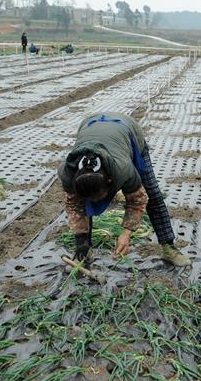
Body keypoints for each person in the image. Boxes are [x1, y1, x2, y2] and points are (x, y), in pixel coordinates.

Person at [59, 112, 190, 267]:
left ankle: (169, 248)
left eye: (100, 196)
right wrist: (81, 242)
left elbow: (137, 201)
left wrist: (126, 233)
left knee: (153, 193)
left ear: (109, 181)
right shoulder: (68, 173)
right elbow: (75, 207)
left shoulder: (122, 169)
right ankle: (84, 252)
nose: (98, 201)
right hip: (91, 125)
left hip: (128, 131)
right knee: (83, 207)